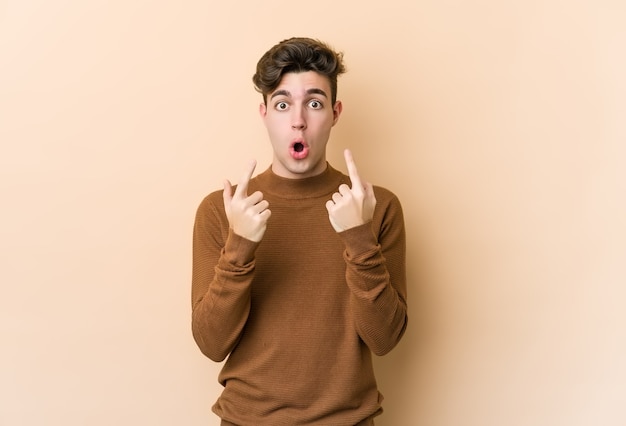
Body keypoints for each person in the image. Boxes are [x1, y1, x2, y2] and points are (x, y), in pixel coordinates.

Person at [191, 37, 408, 426]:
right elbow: (211, 343)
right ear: (264, 113)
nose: (298, 120)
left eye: (314, 102)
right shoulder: (222, 211)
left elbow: (385, 339)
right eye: (282, 103)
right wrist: (239, 246)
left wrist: (359, 239)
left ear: (335, 112)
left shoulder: (376, 208)